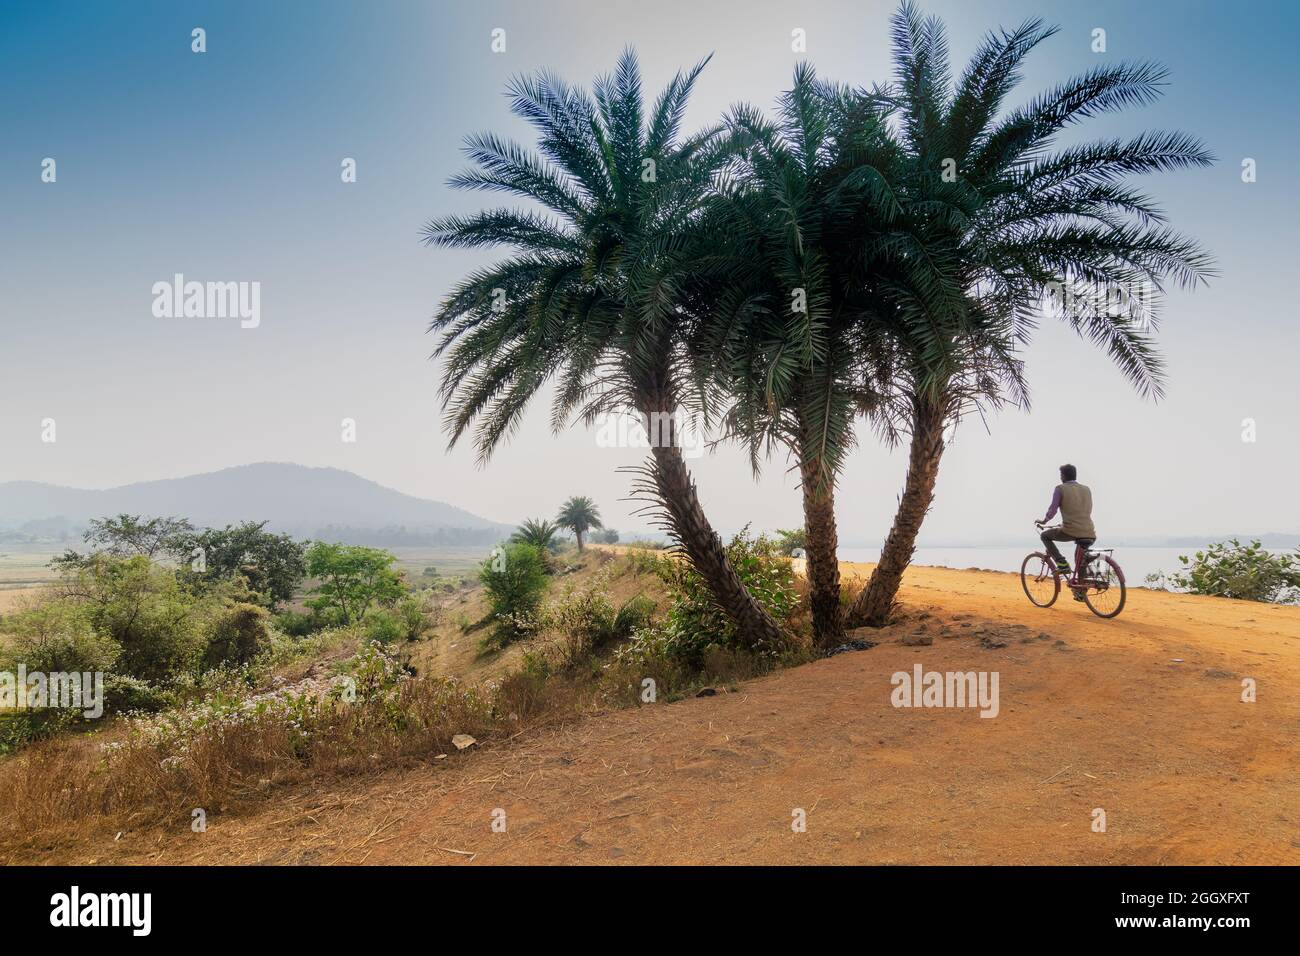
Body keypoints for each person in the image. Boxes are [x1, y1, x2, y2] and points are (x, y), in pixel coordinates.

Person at [1035, 464, 1096, 598]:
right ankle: (1080, 592)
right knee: (1080, 560)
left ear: (1063, 476)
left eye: (1060, 475)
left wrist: (1044, 521)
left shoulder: (1060, 489)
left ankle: (1062, 563)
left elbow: (1053, 509)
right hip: (1090, 531)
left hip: (1071, 530)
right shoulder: (1087, 489)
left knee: (1045, 536)